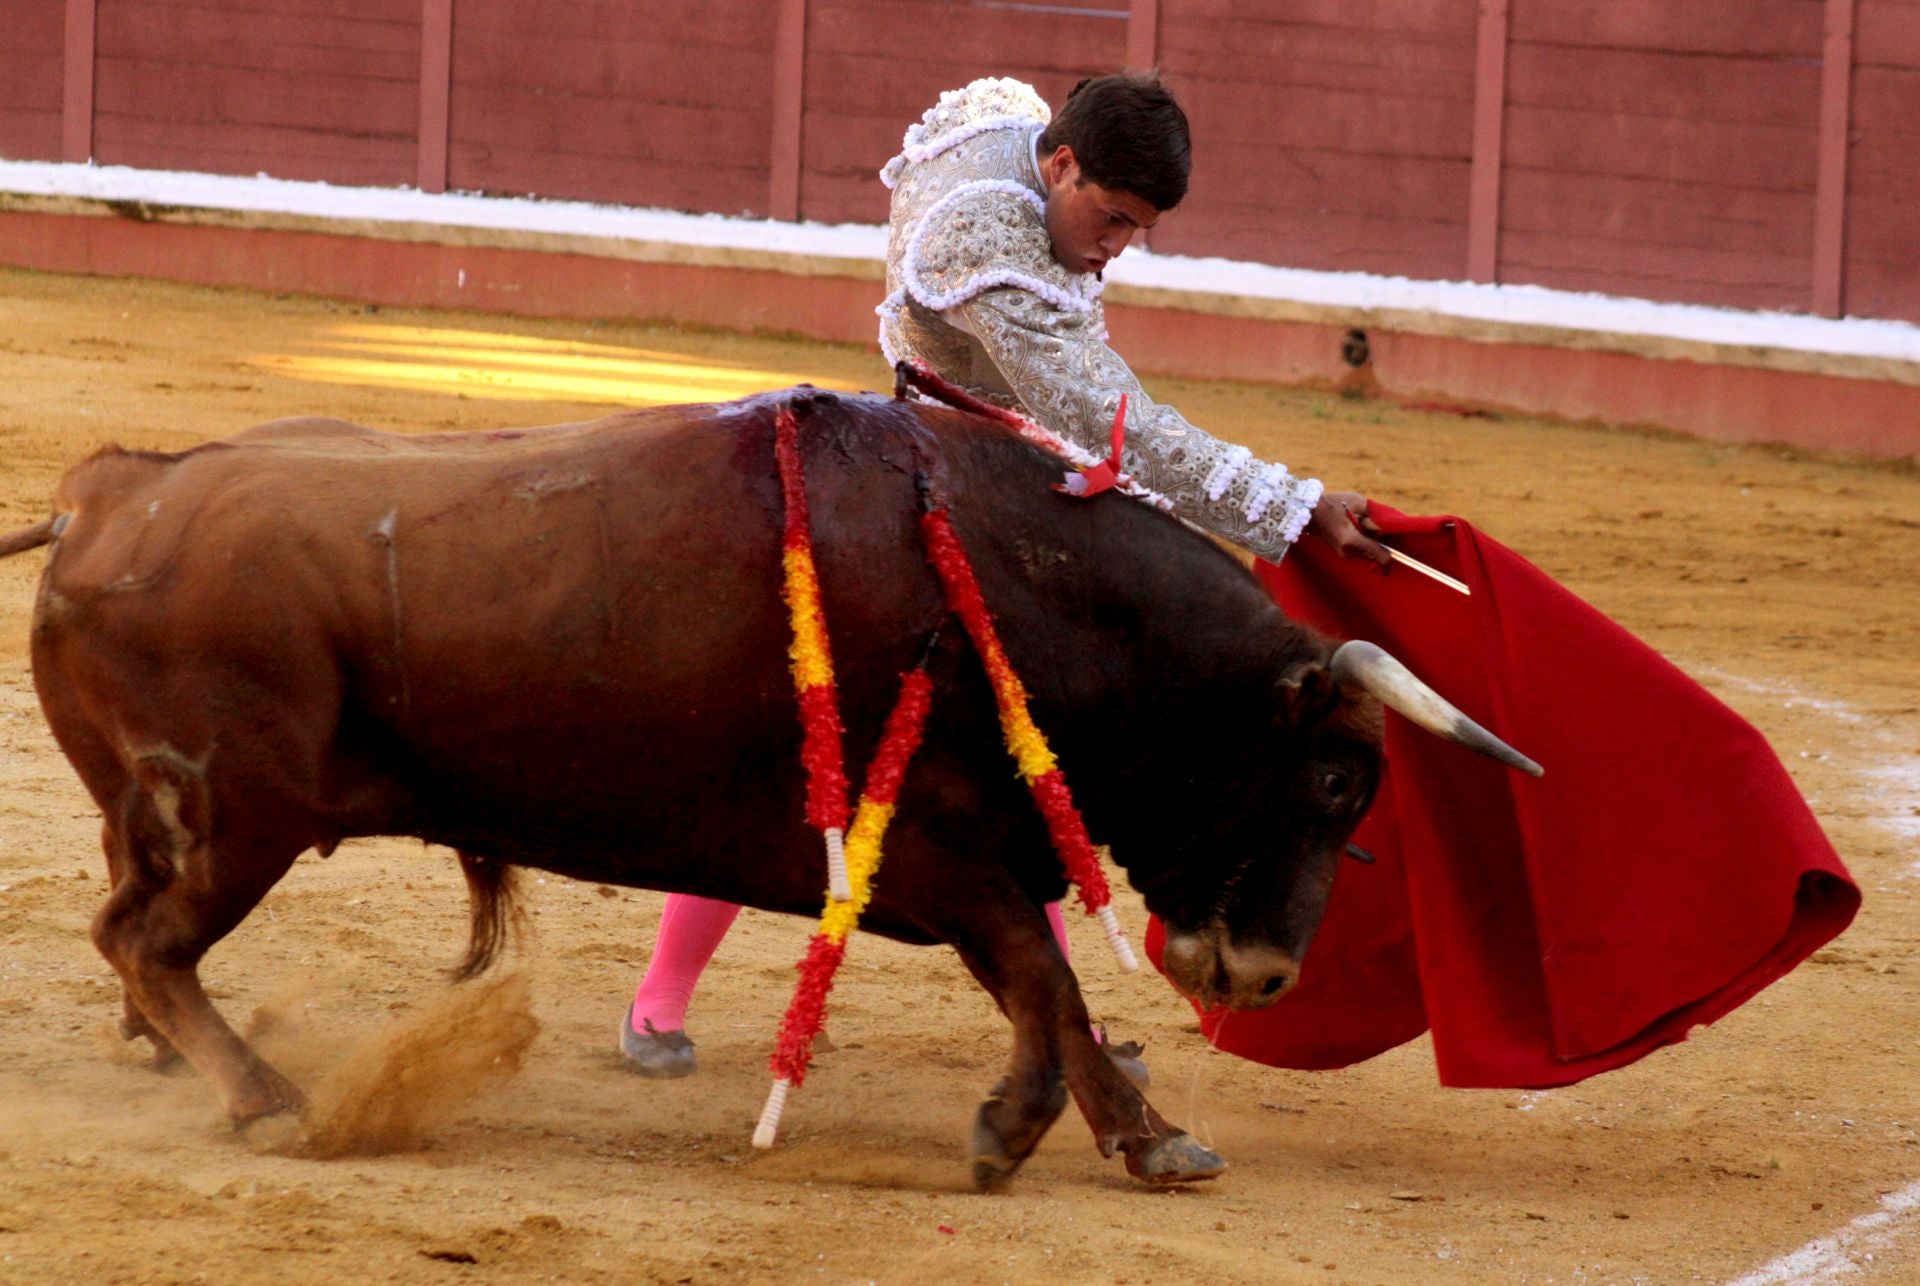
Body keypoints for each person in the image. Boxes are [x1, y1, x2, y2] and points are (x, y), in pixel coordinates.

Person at [620, 71, 1389, 1080]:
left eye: (1134, 230)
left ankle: (1060, 1028)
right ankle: (658, 1000)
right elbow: (1116, 425)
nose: (1113, 246)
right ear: (1061, 164)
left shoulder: (1019, 137)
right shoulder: (991, 237)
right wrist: (1289, 507)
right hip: (941, 508)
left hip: (969, 479)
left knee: (1004, 768)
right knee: (824, 750)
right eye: (1109, 217)